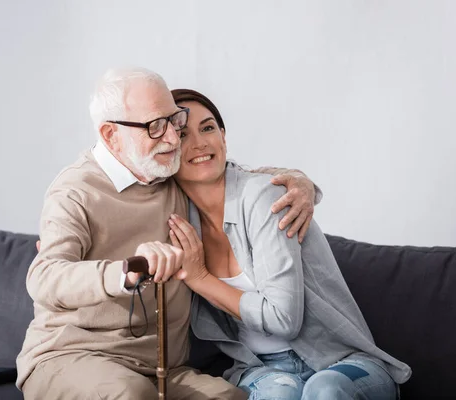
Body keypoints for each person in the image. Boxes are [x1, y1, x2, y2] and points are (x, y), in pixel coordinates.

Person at [16, 68, 321, 400]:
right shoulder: (75, 191)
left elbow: (227, 171)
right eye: (154, 127)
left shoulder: (164, 170)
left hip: (161, 369)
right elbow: (44, 277)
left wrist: (297, 180)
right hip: (71, 358)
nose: (174, 139)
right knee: (130, 394)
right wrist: (127, 269)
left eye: (174, 120)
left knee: (232, 397)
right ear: (110, 135)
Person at [167, 88, 412, 400]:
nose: (200, 142)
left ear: (223, 137)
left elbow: (284, 320)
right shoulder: (177, 220)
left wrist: (201, 279)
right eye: (183, 133)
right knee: (279, 394)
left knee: (324, 390)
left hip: (343, 364)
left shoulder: (262, 198)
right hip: (262, 370)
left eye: (208, 127)